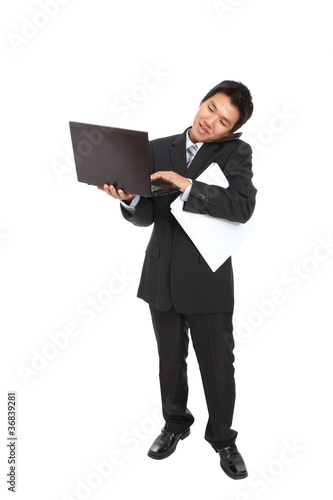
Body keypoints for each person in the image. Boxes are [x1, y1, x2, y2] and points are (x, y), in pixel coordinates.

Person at [99, 80, 256, 479]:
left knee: (218, 368)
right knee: (170, 362)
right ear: (202, 102)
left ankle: (223, 438)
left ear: (232, 131)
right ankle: (174, 424)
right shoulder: (156, 148)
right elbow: (148, 215)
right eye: (211, 108)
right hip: (162, 273)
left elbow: (242, 206)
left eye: (224, 121)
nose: (211, 121)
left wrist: (187, 185)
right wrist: (129, 199)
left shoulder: (236, 153)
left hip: (208, 279)